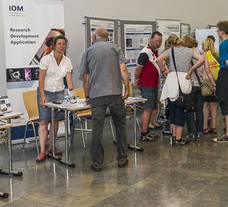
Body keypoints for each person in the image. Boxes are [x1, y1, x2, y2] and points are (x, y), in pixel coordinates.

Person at [79, 28, 130, 171]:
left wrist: (87, 95)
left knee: (97, 129)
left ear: (94, 37)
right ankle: (122, 158)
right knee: (120, 126)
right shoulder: (116, 49)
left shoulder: (88, 51)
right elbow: (123, 69)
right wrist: (127, 87)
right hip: (115, 94)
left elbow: (85, 78)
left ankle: (97, 163)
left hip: (97, 95)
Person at [157, 34, 204, 146]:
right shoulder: (189, 51)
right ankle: (178, 139)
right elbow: (202, 59)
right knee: (182, 108)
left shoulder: (171, 51)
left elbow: (159, 59)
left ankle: (173, 136)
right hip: (184, 79)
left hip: (172, 80)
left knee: (172, 109)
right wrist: (191, 69)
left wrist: (164, 71)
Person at [36, 35, 74, 162]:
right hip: (45, 92)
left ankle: (51, 146)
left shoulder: (67, 60)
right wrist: (42, 95)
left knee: (55, 121)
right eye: (59, 44)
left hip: (59, 93)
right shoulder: (46, 59)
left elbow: (69, 79)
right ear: (54, 45)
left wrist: (71, 92)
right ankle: (42, 151)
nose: (62, 46)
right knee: (43, 121)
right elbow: (41, 79)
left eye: (64, 44)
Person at [135, 31, 163, 142]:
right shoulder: (145, 53)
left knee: (151, 108)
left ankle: (147, 130)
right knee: (147, 109)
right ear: (150, 39)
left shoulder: (154, 52)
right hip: (147, 85)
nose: (158, 43)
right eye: (156, 41)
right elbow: (138, 68)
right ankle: (143, 133)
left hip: (153, 84)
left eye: (160, 41)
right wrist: (136, 79)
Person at [183, 36, 205, 141]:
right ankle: (200, 131)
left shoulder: (187, 54)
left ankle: (191, 132)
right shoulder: (201, 53)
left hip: (190, 85)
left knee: (189, 110)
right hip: (200, 85)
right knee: (199, 109)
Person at [202, 37, 220, 135]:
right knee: (214, 105)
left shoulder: (204, 54)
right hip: (216, 80)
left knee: (205, 106)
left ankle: (205, 126)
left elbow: (206, 70)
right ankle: (214, 126)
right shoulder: (217, 53)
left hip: (206, 81)